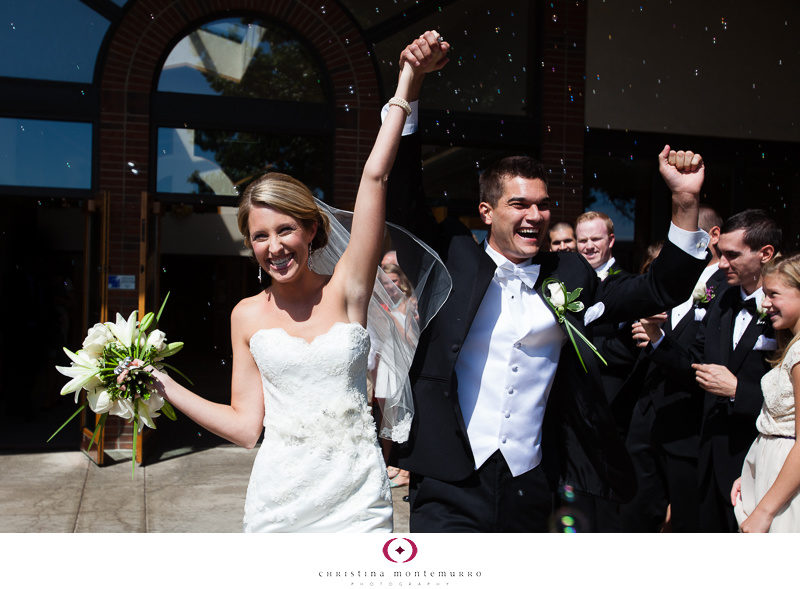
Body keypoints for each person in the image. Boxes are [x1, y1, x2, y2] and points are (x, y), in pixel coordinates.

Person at [385, 33, 710, 532]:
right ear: (486, 211)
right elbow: (403, 194)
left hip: (531, 480)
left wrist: (685, 204)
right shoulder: (453, 258)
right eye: (519, 204)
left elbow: (656, 291)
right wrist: (411, 86)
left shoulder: (571, 273)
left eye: (542, 204)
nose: (535, 215)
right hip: (449, 479)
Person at [145, 35, 446, 533]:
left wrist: (407, 84)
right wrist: (165, 386)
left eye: (285, 229)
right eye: (260, 236)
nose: (274, 246)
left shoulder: (348, 287)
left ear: (310, 230)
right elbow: (245, 429)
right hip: (279, 503)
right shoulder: (246, 314)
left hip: (357, 501)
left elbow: (374, 179)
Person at [642, 209, 780, 532]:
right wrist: (657, 339)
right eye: (722, 254)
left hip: (757, 460)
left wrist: (738, 392)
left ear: (765, 254)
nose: (720, 263)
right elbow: (696, 361)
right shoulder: (721, 293)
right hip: (707, 453)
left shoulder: (786, 307)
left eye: (732, 255)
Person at [619, 206, 724, 532]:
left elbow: (701, 359)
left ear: (712, 237)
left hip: (689, 426)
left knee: (686, 523)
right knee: (640, 512)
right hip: (651, 420)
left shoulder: (723, 288)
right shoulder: (672, 282)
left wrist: (657, 341)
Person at [731, 254, 800, 532]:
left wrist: (764, 511)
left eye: (774, 294)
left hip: (785, 490)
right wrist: (754, 471)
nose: (765, 303)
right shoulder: (791, 347)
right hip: (770, 475)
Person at [575, 211, 621, 279]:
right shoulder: (572, 279)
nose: (589, 246)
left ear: (610, 241)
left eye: (595, 239)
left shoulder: (627, 284)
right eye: (583, 240)